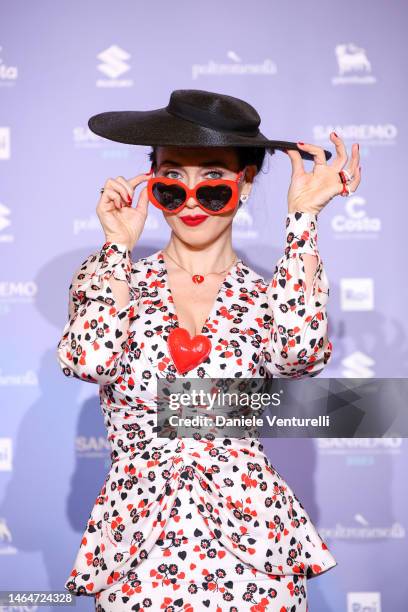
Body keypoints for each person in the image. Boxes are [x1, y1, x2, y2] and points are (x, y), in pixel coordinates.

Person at [57, 90, 361, 611]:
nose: (191, 202)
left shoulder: (269, 296)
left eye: (213, 184)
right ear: (150, 179)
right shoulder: (112, 276)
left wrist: (303, 220)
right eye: (171, 183)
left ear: (244, 183)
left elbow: (300, 357)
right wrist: (116, 247)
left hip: (253, 550)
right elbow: (88, 361)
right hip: (139, 549)